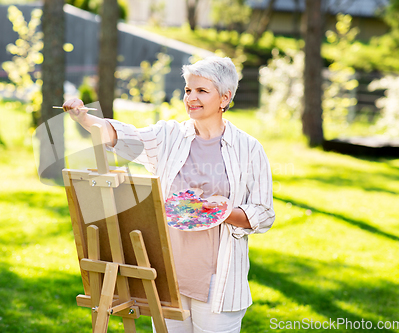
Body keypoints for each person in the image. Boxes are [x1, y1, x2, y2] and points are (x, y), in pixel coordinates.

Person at [63, 56, 275, 333]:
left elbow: (263, 213)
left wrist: (221, 213)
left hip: (217, 282)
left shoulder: (248, 148)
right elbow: (121, 137)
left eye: (201, 91)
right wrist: (83, 117)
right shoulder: (169, 135)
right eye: (188, 90)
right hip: (167, 275)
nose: (191, 98)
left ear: (225, 98)